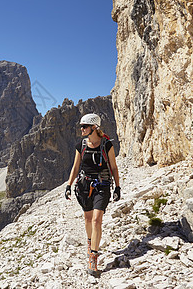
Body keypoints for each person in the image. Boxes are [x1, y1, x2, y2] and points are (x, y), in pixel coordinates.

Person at [64, 113, 121, 277]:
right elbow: (75, 168)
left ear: (94, 127)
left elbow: (114, 167)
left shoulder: (107, 145)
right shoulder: (80, 145)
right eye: (81, 126)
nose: (81, 129)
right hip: (84, 186)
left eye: (85, 126)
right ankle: (90, 244)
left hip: (102, 186)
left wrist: (117, 187)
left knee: (97, 219)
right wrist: (68, 185)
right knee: (88, 219)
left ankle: (93, 257)